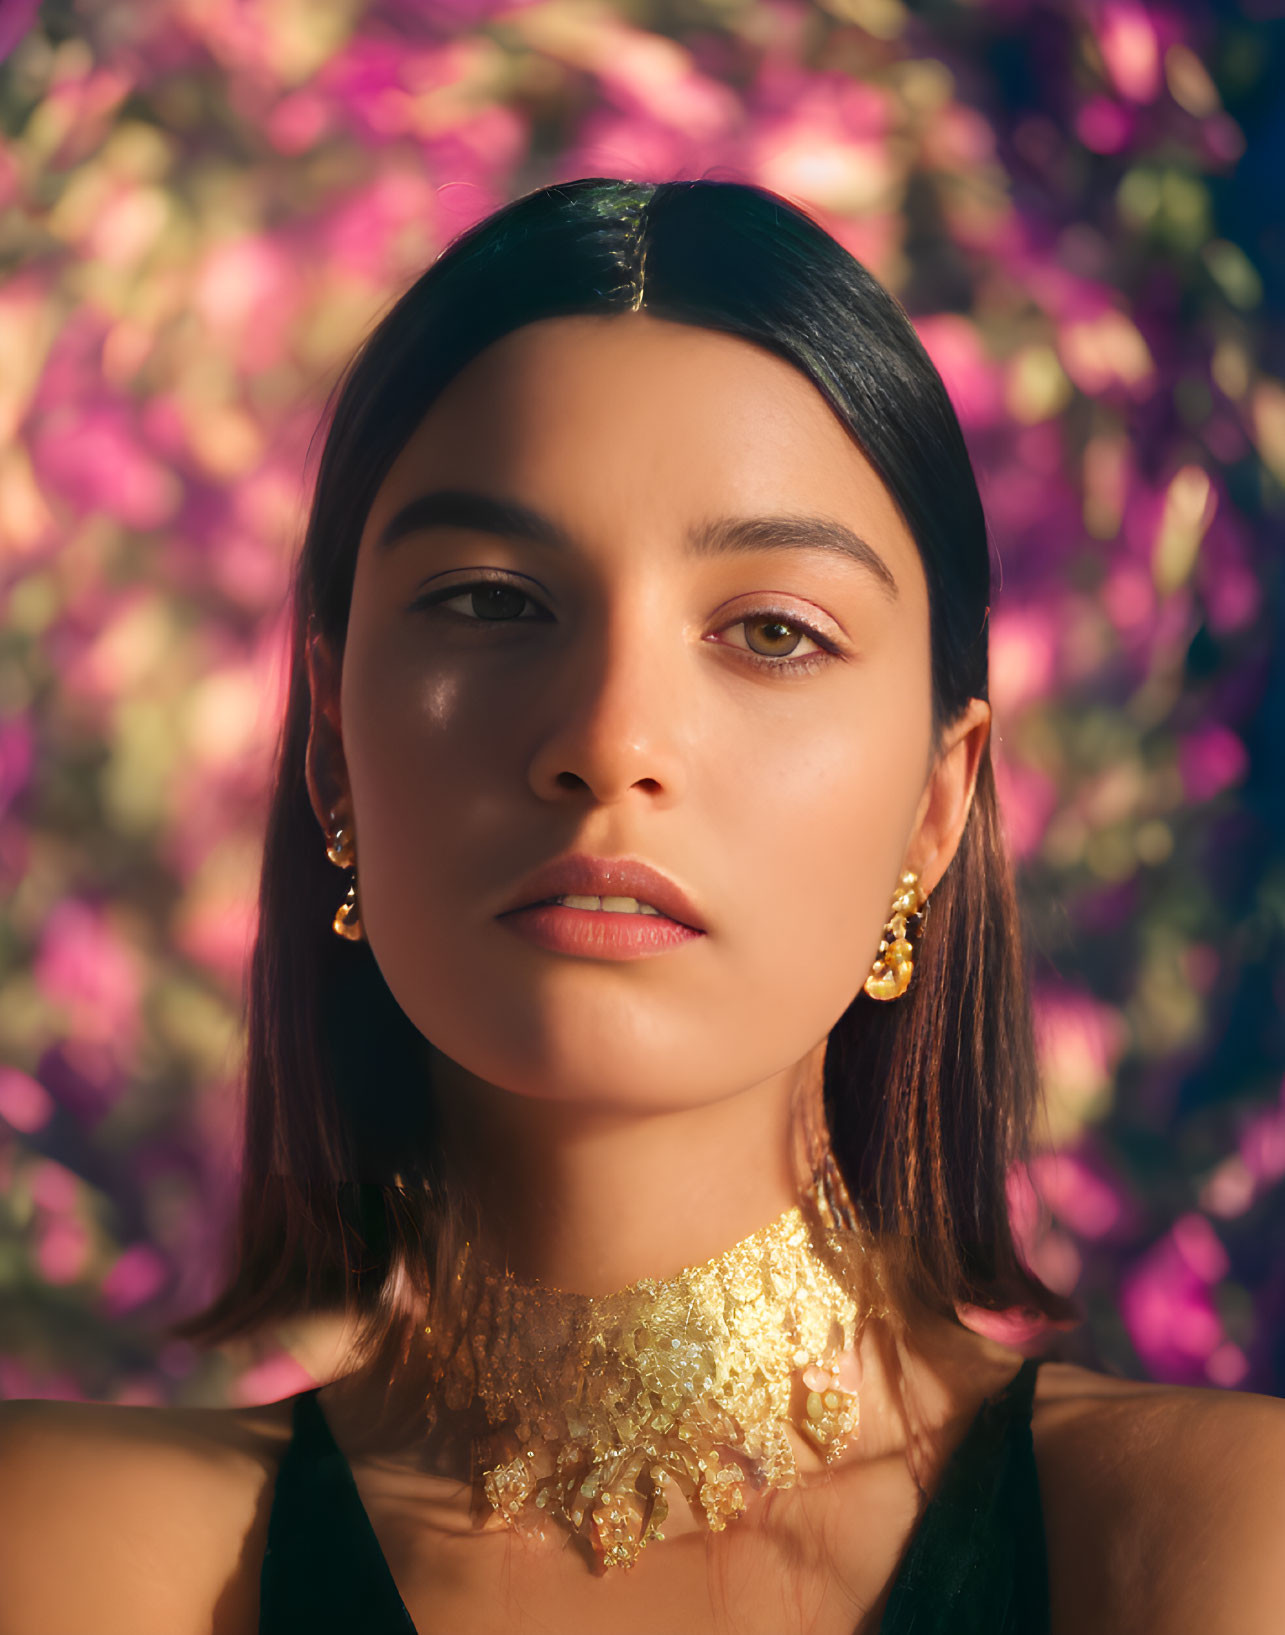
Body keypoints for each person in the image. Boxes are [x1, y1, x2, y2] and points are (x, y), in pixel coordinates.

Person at [1, 176, 1281, 1635]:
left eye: (771, 631)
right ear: (328, 744)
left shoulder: (1210, 1542)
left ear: (939, 803)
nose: (609, 740)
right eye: (490, 601)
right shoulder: (68, 1555)